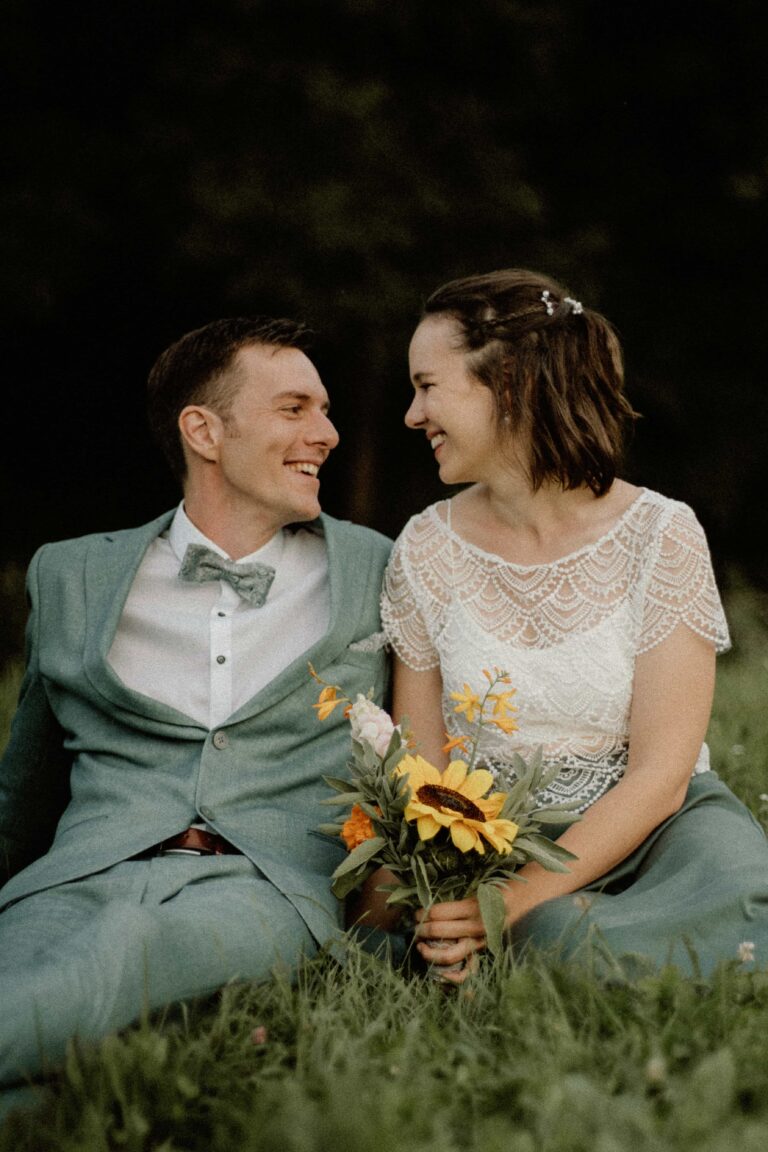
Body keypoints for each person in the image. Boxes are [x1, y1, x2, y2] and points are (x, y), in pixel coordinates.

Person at [0, 317, 391, 1089]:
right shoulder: (70, 575)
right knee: (66, 1040)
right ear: (203, 431)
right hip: (75, 879)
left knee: (123, 952)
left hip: (261, 890)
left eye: (325, 408)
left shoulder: (379, 569)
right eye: (295, 409)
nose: (329, 433)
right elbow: (25, 788)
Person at [378, 268, 768, 983]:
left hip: (665, 835)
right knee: (555, 938)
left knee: (723, 918)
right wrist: (456, 893)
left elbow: (662, 774)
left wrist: (511, 902)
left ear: (513, 383)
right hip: (500, 841)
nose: (412, 413)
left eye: (428, 386)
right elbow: (421, 770)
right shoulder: (424, 550)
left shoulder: (660, 533)